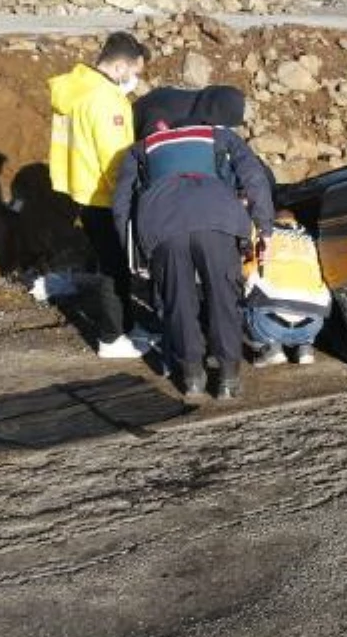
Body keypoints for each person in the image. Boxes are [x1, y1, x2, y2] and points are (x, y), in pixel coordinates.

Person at [113, 86, 274, 402]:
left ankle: (193, 378)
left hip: (162, 225)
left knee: (178, 301)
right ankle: (227, 378)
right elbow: (254, 178)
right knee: (223, 298)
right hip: (218, 220)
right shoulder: (219, 137)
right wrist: (264, 227)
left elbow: (121, 205)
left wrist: (134, 256)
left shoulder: (140, 148)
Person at [49, 31, 152, 359]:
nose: (135, 80)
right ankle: (112, 338)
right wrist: (131, 195)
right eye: (134, 72)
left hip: (82, 187)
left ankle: (128, 326)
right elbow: (115, 159)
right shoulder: (106, 100)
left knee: (113, 262)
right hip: (105, 196)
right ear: (120, 66)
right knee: (115, 267)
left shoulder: (76, 87)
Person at [242, 210, 332, 367]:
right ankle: (305, 348)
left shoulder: (261, 232)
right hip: (313, 324)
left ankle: (270, 348)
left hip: (269, 325)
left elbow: (247, 271)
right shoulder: (312, 237)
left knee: (236, 301)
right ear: (294, 221)